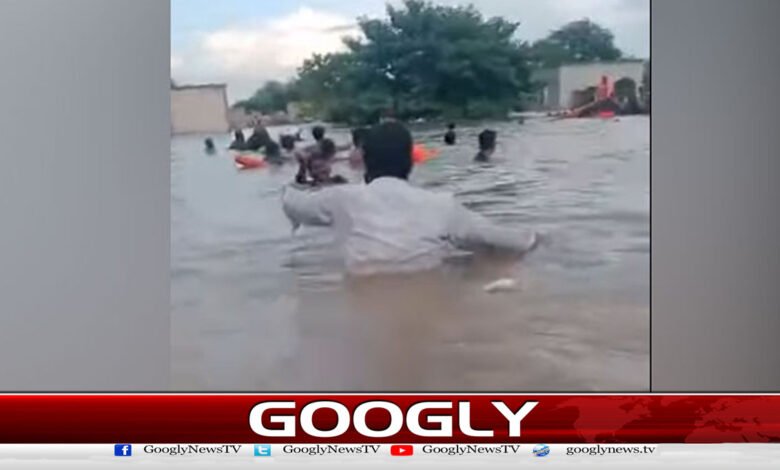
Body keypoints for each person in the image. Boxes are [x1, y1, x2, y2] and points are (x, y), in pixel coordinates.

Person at [281, 122, 538, 275]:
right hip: (426, 291)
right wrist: (540, 238)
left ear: (365, 161)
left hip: (364, 294)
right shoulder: (442, 206)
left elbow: (292, 202)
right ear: (410, 163)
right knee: (471, 261)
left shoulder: (340, 199)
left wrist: (297, 175)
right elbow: (512, 240)